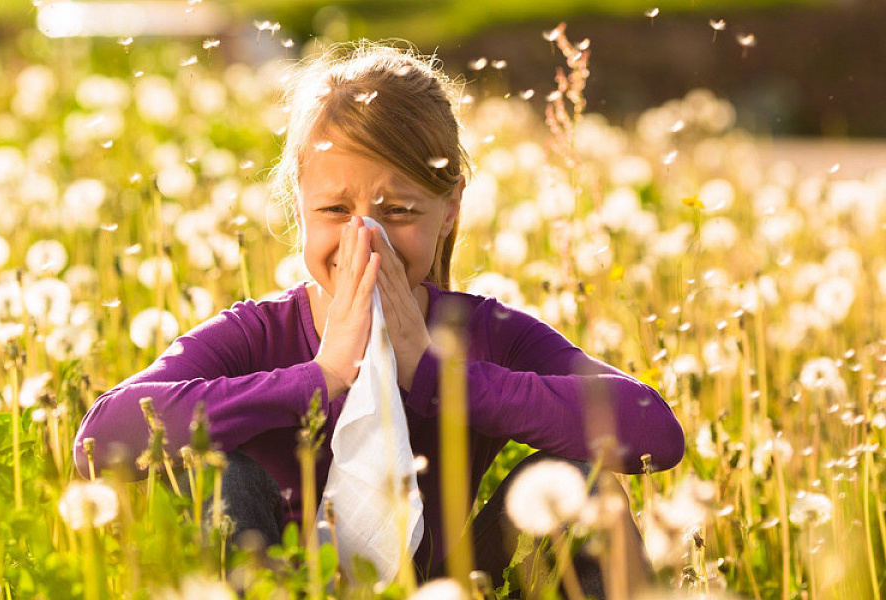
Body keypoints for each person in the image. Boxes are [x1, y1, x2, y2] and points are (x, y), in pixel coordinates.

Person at [73, 42, 685, 593]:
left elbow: (654, 432)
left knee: (582, 482)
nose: (365, 240)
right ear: (300, 208)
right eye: (336, 209)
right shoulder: (259, 332)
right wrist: (320, 377)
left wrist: (440, 376)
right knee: (219, 475)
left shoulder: (482, 333)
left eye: (397, 211)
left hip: (446, 588)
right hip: (276, 582)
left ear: (449, 210)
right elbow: (100, 441)